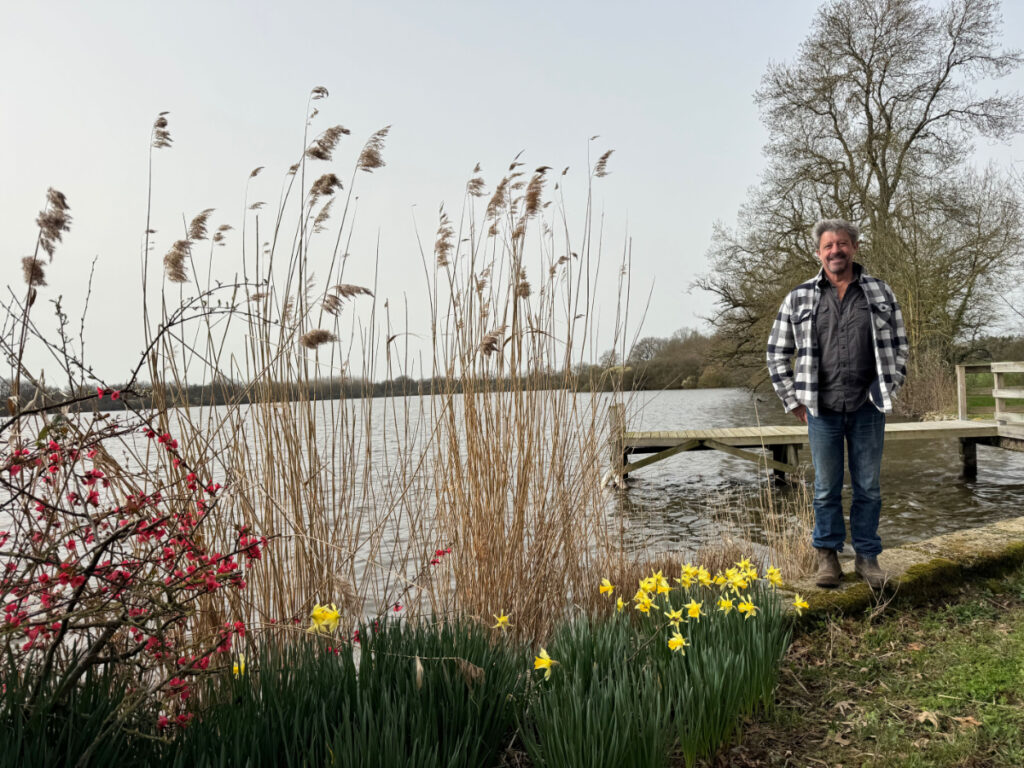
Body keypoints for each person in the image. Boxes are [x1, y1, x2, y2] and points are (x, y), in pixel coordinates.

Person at [766, 219, 909, 589]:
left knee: (869, 487)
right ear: (818, 253)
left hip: (867, 406)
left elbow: (900, 346)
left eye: (842, 244)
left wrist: (888, 388)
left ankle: (867, 558)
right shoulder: (799, 297)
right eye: (828, 246)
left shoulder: (879, 292)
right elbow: (776, 353)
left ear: (854, 248)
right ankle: (827, 559)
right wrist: (793, 400)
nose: (835, 251)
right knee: (826, 488)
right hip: (822, 409)